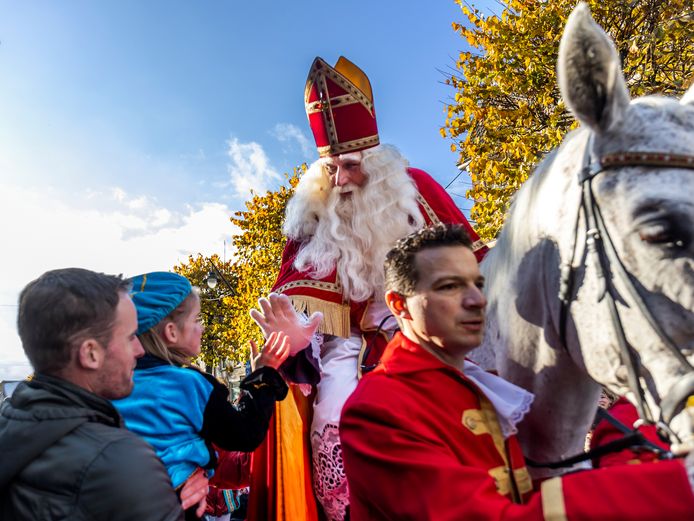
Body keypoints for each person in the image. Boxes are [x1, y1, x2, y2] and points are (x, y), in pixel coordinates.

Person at [248, 56, 488, 520]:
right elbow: (299, 301)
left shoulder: (415, 191)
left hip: (430, 345)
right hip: (344, 355)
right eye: (331, 169)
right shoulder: (313, 219)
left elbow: (476, 274)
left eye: (351, 166)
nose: (340, 181)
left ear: (376, 163)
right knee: (333, 420)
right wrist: (298, 340)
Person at [339, 223, 694, 520]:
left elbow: (533, 493)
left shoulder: (474, 382)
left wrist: (634, 422)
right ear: (399, 304)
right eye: (450, 286)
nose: (477, 300)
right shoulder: (378, 408)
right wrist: (677, 483)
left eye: (477, 284)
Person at [0, 268, 207, 520]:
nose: (139, 350)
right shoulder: (121, 462)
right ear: (90, 354)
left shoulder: (10, 421)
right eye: (130, 336)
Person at [112, 271, 289, 520]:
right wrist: (262, 376)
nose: (202, 327)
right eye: (197, 319)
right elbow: (245, 434)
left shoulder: (113, 385)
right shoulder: (190, 385)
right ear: (171, 332)